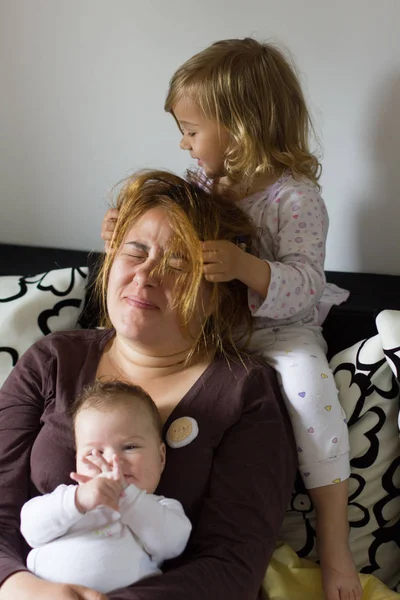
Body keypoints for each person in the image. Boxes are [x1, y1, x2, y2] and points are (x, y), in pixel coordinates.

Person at [102, 38, 361, 600]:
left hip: (281, 329)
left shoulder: (296, 200)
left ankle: (337, 541)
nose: (183, 142)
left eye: (192, 130)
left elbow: (306, 283)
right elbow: (164, 234)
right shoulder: (201, 185)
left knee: (311, 402)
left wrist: (248, 267)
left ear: (240, 128)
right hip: (212, 326)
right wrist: (122, 231)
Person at [0, 170, 297, 600]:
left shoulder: (244, 390)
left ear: (216, 296)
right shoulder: (53, 360)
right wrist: (19, 587)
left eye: (178, 264)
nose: (145, 276)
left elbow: (234, 562)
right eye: (135, 252)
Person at [20, 380, 192, 594]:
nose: (112, 460)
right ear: (77, 461)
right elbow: (30, 529)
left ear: (161, 457)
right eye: (94, 453)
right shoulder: (66, 499)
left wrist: (127, 497)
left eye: (129, 447)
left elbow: (171, 545)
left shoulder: (160, 508)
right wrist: (78, 501)